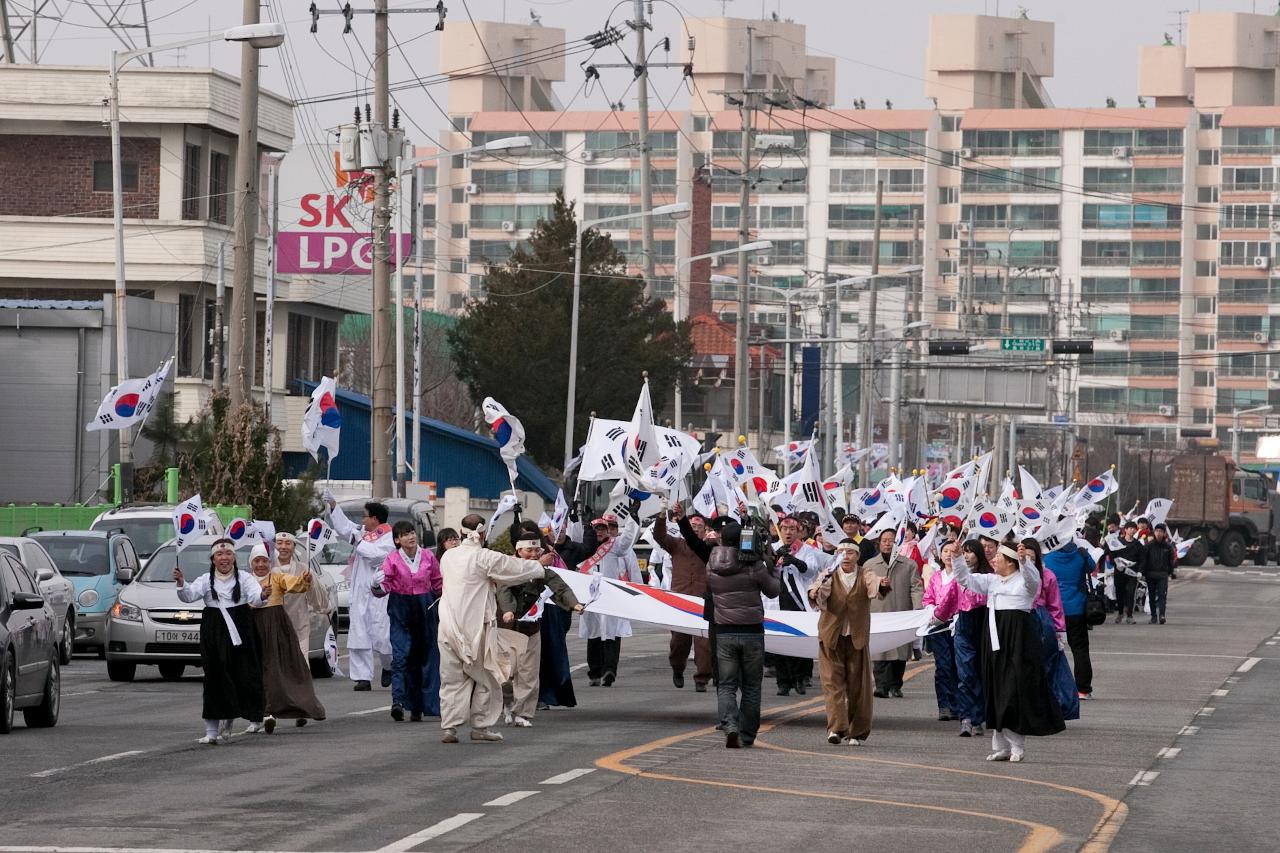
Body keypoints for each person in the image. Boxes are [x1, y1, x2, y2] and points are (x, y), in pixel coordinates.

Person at [437, 514, 556, 743]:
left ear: (461, 533)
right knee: (487, 676)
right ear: (482, 534)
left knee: (451, 678)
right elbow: (512, 569)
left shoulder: (448, 557)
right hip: (476, 626)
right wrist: (538, 565)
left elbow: (497, 575)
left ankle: (449, 727)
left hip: (449, 625)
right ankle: (480, 726)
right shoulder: (484, 557)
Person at [951, 543, 1065, 762]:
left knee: (1012, 691)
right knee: (995, 689)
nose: (993, 560)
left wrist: (1025, 561)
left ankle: (1017, 745)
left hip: (1018, 642)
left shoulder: (1024, 582)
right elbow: (965, 580)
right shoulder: (991, 581)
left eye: (999, 557)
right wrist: (957, 558)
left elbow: (1034, 581)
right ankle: (1000, 745)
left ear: (1010, 562)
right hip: (994, 641)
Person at [174, 538, 265, 743]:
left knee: (244, 674)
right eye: (219, 555)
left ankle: (252, 716)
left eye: (228, 554)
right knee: (214, 677)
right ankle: (211, 731)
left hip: (241, 628)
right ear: (213, 559)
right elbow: (188, 596)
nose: (224, 558)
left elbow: (255, 597)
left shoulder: (244, 578)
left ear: (234, 557)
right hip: (214, 630)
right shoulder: (206, 580)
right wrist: (181, 583)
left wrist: (263, 594)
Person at [705, 520, 780, 749]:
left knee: (726, 684)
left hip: (724, 631)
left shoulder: (711, 564)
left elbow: (710, 589)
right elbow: (773, 589)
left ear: (721, 539)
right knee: (751, 686)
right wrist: (772, 567)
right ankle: (747, 735)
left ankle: (730, 726)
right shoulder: (754, 565)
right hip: (752, 631)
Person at [496, 534, 583, 727]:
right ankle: (507, 702)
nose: (534, 554)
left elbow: (560, 587)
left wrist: (574, 604)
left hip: (531, 627)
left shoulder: (543, 571)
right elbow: (503, 589)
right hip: (508, 626)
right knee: (506, 674)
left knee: (529, 672)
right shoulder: (508, 568)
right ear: (519, 551)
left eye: (537, 551)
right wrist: (508, 610)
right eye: (529, 550)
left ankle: (522, 713)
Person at [248, 542, 326, 732]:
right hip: (251, 628)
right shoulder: (245, 580)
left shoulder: (276, 577)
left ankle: (287, 709)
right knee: (255, 671)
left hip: (276, 627)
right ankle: (259, 714)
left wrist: (304, 579)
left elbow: (294, 584)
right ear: (251, 563)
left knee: (279, 670)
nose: (260, 565)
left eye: (264, 561)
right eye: (257, 561)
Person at [810, 539, 879, 745]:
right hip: (831, 637)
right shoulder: (829, 574)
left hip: (856, 638)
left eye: (850, 552)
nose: (846, 556)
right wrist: (814, 592)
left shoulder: (865, 573)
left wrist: (881, 584)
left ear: (857, 556)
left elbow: (873, 584)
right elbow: (817, 590)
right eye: (841, 552)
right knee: (832, 684)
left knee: (858, 687)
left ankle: (856, 732)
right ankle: (836, 729)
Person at [373, 520, 442, 722]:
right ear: (397, 540)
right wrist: (376, 586)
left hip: (425, 609)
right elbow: (382, 587)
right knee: (401, 657)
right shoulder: (392, 559)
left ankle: (421, 705)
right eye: (405, 534)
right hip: (401, 611)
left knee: (425, 659)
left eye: (412, 532)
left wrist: (445, 601)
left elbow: (438, 583)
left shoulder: (428, 556)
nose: (410, 537)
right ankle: (398, 701)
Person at [328, 499, 395, 691]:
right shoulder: (365, 534)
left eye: (365, 516)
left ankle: (389, 666)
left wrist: (359, 542)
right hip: (359, 592)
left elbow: (377, 557)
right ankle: (362, 678)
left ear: (375, 518)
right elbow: (345, 528)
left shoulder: (389, 537)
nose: (362, 520)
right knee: (359, 634)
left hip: (379, 592)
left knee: (382, 635)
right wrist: (334, 506)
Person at [932, 539, 992, 737]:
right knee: (965, 673)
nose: (966, 556)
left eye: (970, 552)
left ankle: (979, 717)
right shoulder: (960, 578)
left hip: (983, 627)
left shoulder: (989, 576)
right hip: (963, 627)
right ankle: (966, 718)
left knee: (981, 672)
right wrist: (935, 618)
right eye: (963, 552)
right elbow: (948, 601)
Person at [654, 503, 713, 692]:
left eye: (699, 527)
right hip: (680, 600)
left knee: (704, 643)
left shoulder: (708, 548)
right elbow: (659, 537)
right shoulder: (676, 545)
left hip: (702, 600)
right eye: (692, 526)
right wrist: (662, 516)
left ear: (705, 531)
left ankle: (701, 679)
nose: (695, 530)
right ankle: (677, 669)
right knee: (679, 642)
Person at [577, 512, 640, 687]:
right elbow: (573, 536)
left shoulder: (615, 546)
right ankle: (595, 672)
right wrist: (576, 519)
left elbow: (628, 539)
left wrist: (632, 518)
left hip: (610, 596)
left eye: (602, 529)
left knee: (612, 632)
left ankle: (609, 670)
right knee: (594, 633)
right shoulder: (585, 546)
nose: (599, 532)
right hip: (590, 598)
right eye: (596, 529)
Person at [1020, 538, 1078, 722]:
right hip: (1020, 619)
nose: (1028, 560)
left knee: (1045, 667)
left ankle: (1047, 707)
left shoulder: (1048, 575)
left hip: (1041, 621)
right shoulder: (1013, 574)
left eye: (1031, 556)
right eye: (1024, 556)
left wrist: (1059, 632)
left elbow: (1055, 606)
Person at [863, 528, 923, 699]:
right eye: (884, 540)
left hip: (901, 612)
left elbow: (916, 587)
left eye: (891, 540)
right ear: (879, 543)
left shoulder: (909, 564)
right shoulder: (870, 565)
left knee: (900, 652)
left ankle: (896, 685)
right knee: (879, 651)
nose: (888, 544)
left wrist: (917, 608)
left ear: (897, 543)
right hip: (878, 613)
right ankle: (881, 686)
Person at [771, 515, 825, 696]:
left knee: (799, 639)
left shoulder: (806, 550)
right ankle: (783, 681)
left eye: (792, 529)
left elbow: (811, 569)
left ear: (798, 531)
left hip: (799, 601)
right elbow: (764, 570)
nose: (788, 532)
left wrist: (795, 561)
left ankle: (800, 678)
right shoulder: (773, 548)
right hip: (778, 601)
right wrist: (774, 559)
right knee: (779, 641)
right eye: (785, 529)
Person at [1044, 538, 1096, 699]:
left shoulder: (1048, 556)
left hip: (1054, 610)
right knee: (1080, 649)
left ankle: (1051, 688)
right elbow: (1092, 567)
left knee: (1051, 651)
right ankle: (1083, 689)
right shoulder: (1081, 554)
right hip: (1077, 609)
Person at [272, 532, 328, 657]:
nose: (283, 547)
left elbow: (317, 597)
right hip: (274, 628)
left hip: (299, 626)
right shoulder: (266, 568)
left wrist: (309, 581)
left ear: (294, 547)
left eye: (288, 543)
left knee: (300, 664)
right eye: (279, 543)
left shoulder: (304, 569)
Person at [922, 540, 960, 721]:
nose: (948, 554)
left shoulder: (962, 576)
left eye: (952, 551)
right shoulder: (937, 577)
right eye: (945, 550)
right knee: (943, 665)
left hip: (957, 624)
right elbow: (928, 597)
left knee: (958, 665)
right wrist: (930, 610)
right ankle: (944, 705)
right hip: (938, 625)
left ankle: (958, 704)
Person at [1141, 524, 1177, 624]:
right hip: (1150, 574)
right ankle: (1153, 616)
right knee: (1151, 596)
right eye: (1156, 531)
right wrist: (1143, 572)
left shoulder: (1168, 547)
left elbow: (1171, 561)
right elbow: (1144, 560)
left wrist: (1170, 571)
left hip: (1162, 575)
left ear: (1164, 533)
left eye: (1160, 531)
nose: (1158, 533)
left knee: (1162, 596)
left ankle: (1162, 615)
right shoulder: (1148, 545)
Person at [1110, 521, 1144, 624]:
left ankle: (1129, 615)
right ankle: (1120, 613)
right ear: (1125, 530)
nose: (1132, 530)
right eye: (1130, 528)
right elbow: (1112, 555)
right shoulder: (1118, 542)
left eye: (1134, 528)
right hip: (1119, 572)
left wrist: (1140, 571)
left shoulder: (1138, 544)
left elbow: (1142, 559)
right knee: (1119, 593)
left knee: (1130, 593)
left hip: (1132, 573)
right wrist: (1116, 564)